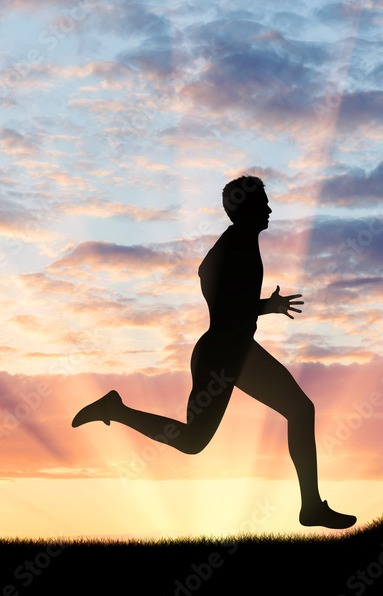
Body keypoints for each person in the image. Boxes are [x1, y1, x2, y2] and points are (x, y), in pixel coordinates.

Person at [72, 175, 356, 529]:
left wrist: (264, 306)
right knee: (195, 441)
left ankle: (311, 506)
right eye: (262, 204)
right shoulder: (236, 241)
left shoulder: (243, 241)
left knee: (299, 410)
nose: (269, 209)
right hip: (222, 356)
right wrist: (256, 307)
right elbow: (211, 279)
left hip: (236, 351)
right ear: (245, 209)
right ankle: (116, 409)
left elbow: (222, 290)